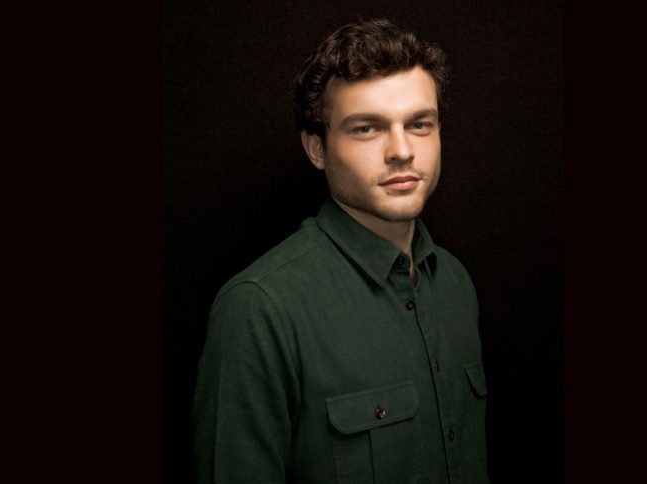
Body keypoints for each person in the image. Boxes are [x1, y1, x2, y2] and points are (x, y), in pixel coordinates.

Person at [193, 18, 488, 483]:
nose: (402, 150)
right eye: (367, 128)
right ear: (317, 148)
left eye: (419, 124)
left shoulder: (454, 282)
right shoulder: (260, 309)